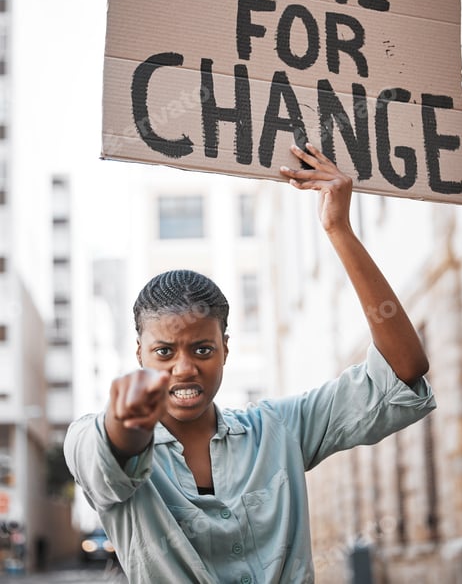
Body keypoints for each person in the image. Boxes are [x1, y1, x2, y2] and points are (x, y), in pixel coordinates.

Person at [64, 143, 435, 583]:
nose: (184, 368)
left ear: (225, 348)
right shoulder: (93, 434)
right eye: (164, 352)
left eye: (202, 349)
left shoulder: (279, 429)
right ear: (139, 354)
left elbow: (403, 368)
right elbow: (108, 453)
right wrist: (128, 422)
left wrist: (338, 229)